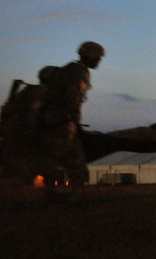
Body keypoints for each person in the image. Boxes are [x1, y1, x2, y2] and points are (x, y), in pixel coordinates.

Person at [36, 41, 105, 196]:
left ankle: (57, 191)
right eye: (98, 58)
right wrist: (74, 121)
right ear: (91, 57)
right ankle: (71, 192)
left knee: (63, 157)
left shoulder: (68, 69)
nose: (99, 61)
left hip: (53, 120)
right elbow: (71, 97)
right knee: (71, 158)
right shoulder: (80, 72)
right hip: (63, 122)